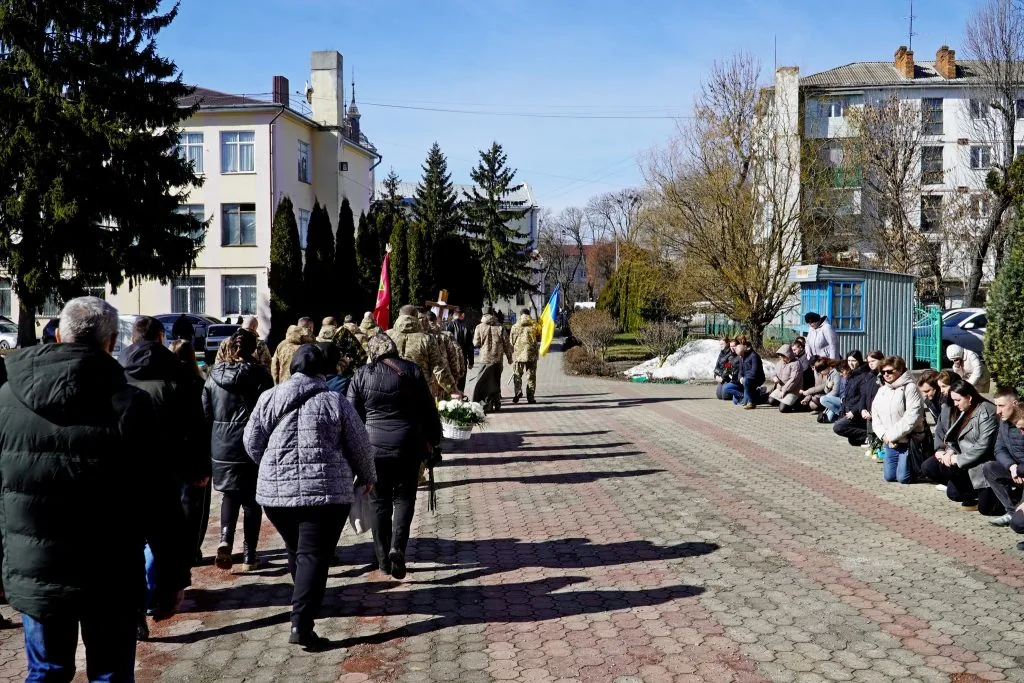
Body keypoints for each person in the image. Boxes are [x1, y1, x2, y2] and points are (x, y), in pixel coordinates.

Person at [0, 297, 180, 680]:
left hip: (37, 566)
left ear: (60, 333)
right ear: (111, 341)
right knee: (110, 675)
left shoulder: (6, 399)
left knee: (46, 673)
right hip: (109, 569)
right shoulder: (132, 405)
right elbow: (160, 499)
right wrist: (170, 576)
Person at [244, 345, 376, 650]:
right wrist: (367, 477)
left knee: (298, 550)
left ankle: (306, 598)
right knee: (313, 555)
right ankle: (301, 623)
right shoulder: (335, 401)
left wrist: (271, 467)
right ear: (322, 373)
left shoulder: (269, 398)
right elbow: (360, 445)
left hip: (277, 497)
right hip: (325, 495)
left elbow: (251, 442)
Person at [122, 317, 206, 636]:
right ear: (160, 337)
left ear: (132, 339)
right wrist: (199, 469)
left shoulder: (115, 372)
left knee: (131, 538)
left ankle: (135, 606)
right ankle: (153, 595)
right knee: (161, 538)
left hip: (123, 469)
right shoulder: (180, 374)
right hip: (166, 470)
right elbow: (196, 427)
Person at [348, 334, 441, 581]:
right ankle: (398, 547)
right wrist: (435, 440)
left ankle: (383, 563)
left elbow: (351, 417)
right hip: (408, 447)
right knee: (404, 498)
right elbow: (428, 409)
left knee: (378, 504)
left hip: (373, 449)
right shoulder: (412, 370)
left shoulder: (361, 374)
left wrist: (351, 452)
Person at [205, 329, 274, 571]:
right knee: (252, 501)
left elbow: (206, 413)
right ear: (253, 348)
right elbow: (269, 412)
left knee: (230, 495)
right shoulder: (261, 375)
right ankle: (249, 554)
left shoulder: (213, 376)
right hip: (251, 442)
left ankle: (225, 539)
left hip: (222, 446)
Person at [921, 380, 999, 513]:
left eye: (958, 400)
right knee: (930, 467)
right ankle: (971, 492)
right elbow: (957, 437)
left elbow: (982, 446)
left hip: (981, 464)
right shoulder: (965, 409)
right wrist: (948, 452)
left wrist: (957, 459)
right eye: (953, 400)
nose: (955, 404)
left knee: (987, 510)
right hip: (965, 461)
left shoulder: (986, 411)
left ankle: (1000, 497)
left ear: (969, 397)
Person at [171, 340, 213, 567]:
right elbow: (205, 421)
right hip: (196, 451)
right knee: (197, 506)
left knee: (178, 503)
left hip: (173, 452)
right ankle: (193, 548)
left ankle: (182, 548)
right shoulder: (199, 383)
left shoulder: (168, 383)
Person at [871, 356, 925, 484]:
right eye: (883, 372)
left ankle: (918, 469)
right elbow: (876, 415)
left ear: (900, 370)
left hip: (907, 440)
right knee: (889, 477)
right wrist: (884, 435)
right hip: (890, 442)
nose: (886, 375)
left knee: (903, 478)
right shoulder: (882, 390)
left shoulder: (910, 388)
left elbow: (913, 416)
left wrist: (891, 436)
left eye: (890, 371)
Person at [388, 305, 460, 400]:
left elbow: (373, 364)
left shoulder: (386, 336)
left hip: (390, 388)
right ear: (416, 316)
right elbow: (439, 367)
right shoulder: (427, 338)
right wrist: (453, 390)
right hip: (420, 390)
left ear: (399, 316)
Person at [982, 388, 1024, 527]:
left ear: (1014, 403)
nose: (998, 411)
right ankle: (1011, 511)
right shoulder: (1004, 422)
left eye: (1001, 406)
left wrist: (1021, 469)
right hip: (1015, 469)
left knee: (1020, 523)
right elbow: (999, 449)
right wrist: (1011, 467)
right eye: (996, 406)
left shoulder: (1022, 423)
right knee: (990, 468)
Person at [472, 308, 513, 412]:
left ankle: (487, 404)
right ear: (492, 314)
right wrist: (509, 358)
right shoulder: (500, 327)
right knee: (496, 381)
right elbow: (506, 344)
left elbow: (476, 343)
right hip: (497, 359)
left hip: (484, 360)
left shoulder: (479, 327)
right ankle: (497, 404)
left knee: (484, 383)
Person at [833, 351, 873, 446]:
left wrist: (854, 411)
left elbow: (863, 396)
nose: (851, 363)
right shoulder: (852, 373)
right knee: (853, 441)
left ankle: (871, 435)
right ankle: (866, 433)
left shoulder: (864, 375)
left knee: (838, 427)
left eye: (854, 360)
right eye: (849, 360)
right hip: (849, 408)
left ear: (859, 360)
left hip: (858, 411)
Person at [427, 311, 466, 396]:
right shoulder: (446, 335)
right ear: (436, 320)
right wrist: (457, 374)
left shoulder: (422, 336)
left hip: (427, 380)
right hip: (445, 377)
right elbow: (457, 353)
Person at [723, 338, 764, 409]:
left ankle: (752, 401)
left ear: (744, 351)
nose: (740, 357)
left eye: (741, 355)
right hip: (742, 380)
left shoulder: (754, 356)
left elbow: (754, 371)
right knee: (735, 401)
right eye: (739, 355)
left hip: (755, 379)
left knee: (744, 401)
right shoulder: (741, 357)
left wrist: (744, 378)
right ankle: (751, 394)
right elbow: (740, 371)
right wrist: (740, 377)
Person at [510, 308, 540, 404]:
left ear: (520, 315)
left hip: (519, 355)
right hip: (532, 355)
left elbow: (511, 341)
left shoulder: (515, 326)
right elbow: (539, 338)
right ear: (529, 314)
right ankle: (531, 397)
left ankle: (518, 392)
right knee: (531, 376)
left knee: (517, 374)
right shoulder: (535, 326)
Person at [768, 345, 803, 413]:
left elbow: (793, 380)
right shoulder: (780, 363)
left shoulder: (796, 364)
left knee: (782, 409)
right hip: (780, 388)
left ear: (789, 355)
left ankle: (795, 402)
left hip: (793, 390)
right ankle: (784, 401)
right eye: (781, 356)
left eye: (784, 356)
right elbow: (774, 372)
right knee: (770, 401)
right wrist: (774, 377)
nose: (782, 358)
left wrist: (784, 391)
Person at [446, 310, 474, 393]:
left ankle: (451, 400)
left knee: (451, 380)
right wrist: (471, 361)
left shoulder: (448, 325)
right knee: (462, 380)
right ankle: (460, 398)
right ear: (462, 315)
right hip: (463, 358)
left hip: (450, 358)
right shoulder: (467, 327)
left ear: (453, 315)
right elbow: (470, 346)